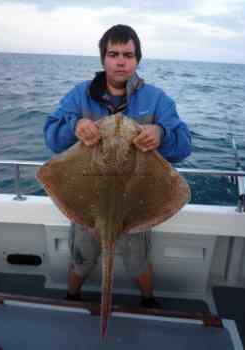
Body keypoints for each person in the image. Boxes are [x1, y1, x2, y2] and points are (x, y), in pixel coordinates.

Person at [43, 24, 191, 308]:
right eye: (113, 54)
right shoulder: (79, 95)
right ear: (103, 58)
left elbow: (183, 145)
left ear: (137, 59)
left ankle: (148, 300)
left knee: (137, 259)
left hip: (136, 196)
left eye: (128, 54)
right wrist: (75, 127)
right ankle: (72, 296)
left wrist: (161, 134)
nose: (121, 61)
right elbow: (51, 136)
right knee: (82, 257)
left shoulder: (156, 99)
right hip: (89, 196)